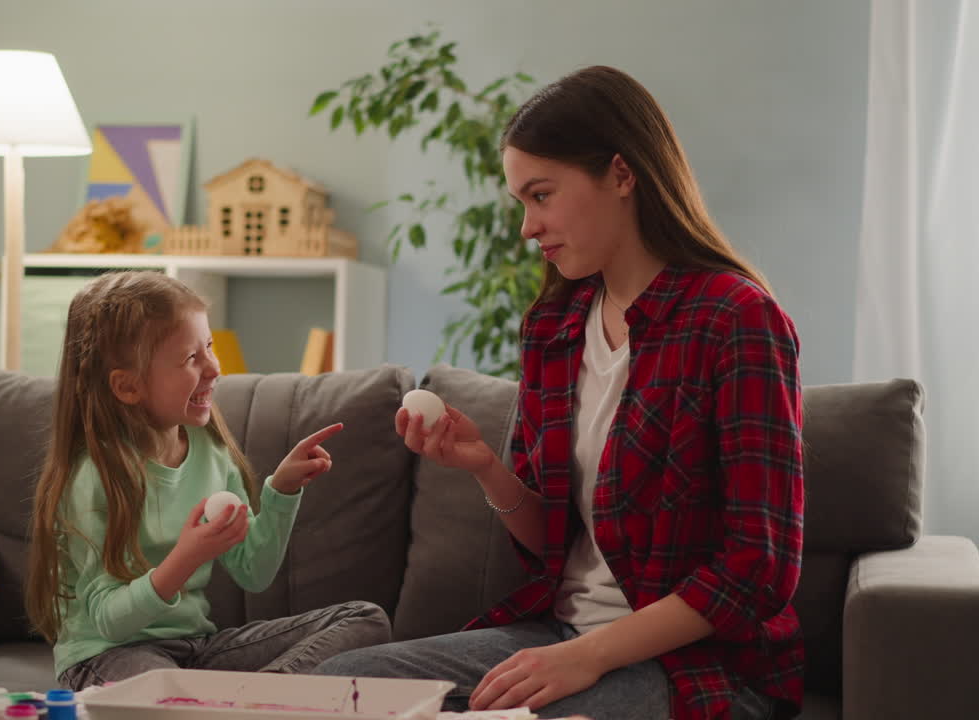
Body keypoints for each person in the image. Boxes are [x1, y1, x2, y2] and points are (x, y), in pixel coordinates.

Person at [314, 66, 804, 720]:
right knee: (338, 687)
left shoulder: (735, 319)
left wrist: (591, 656)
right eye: (521, 202)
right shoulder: (555, 326)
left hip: (698, 665)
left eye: (541, 195)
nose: (526, 227)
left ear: (622, 176)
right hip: (559, 634)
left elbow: (757, 567)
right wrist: (484, 466)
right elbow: (552, 542)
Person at [26, 271, 391, 689]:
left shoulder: (211, 453)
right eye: (189, 358)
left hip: (196, 648)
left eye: (209, 347)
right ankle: (224, 704)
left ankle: (259, 696)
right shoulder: (94, 477)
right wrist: (187, 556)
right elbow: (110, 623)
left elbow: (253, 571)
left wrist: (283, 491)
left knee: (364, 620)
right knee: (164, 691)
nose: (214, 368)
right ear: (128, 386)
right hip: (108, 655)